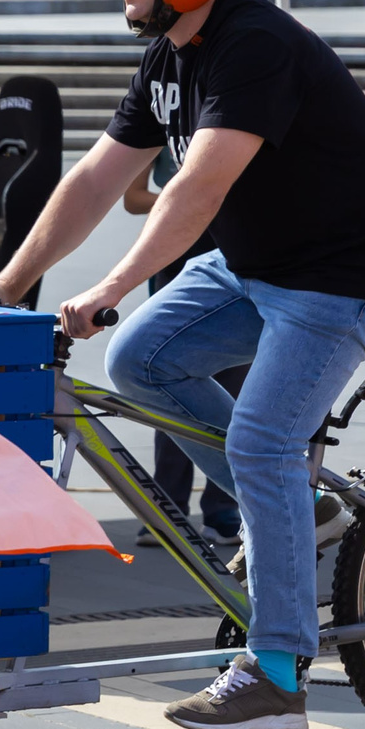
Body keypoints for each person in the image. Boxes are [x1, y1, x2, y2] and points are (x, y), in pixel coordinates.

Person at [0, 0, 365, 729]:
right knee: (140, 360)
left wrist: (106, 288)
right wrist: (14, 278)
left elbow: (198, 188)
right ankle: (302, 510)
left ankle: (278, 666)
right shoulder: (170, 54)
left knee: (260, 441)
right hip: (258, 264)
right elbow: (99, 177)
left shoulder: (254, 47)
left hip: (345, 275)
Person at [122, 151, 243, 549]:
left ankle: (223, 511)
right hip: (175, 255)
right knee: (164, 382)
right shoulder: (164, 115)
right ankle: (168, 508)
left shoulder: (243, 109)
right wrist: (191, 196)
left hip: (237, 255)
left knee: (232, 391)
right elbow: (133, 197)